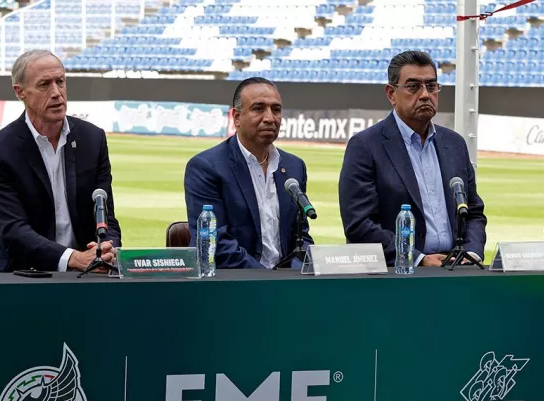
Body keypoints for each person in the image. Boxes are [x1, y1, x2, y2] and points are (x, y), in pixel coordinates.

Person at [338, 50, 487, 266]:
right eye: (413, 86)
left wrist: (471, 254)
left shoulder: (454, 144)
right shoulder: (365, 146)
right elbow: (359, 224)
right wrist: (418, 259)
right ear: (391, 93)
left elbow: (473, 212)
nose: (425, 94)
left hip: (456, 271)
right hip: (399, 276)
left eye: (432, 86)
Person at [0, 50, 121, 273]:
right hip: (19, 275)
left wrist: (107, 251)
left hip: (85, 274)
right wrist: (74, 258)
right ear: (20, 92)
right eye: (44, 85)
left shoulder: (93, 139)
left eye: (60, 82)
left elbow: (106, 217)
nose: (56, 93)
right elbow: (13, 230)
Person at [184, 77, 313, 269]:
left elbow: (301, 239)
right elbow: (216, 245)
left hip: (285, 287)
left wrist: (296, 275)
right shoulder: (206, 167)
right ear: (236, 117)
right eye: (258, 109)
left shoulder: (294, 167)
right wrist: (268, 281)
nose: (270, 118)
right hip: (234, 287)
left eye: (276, 110)